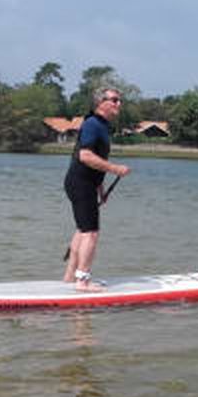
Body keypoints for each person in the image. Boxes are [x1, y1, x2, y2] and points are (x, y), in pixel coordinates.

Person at [63, 87, 130, 291]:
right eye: (115, 100)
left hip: (83, 182)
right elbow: (86, 156)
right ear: (101, 103)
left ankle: (70, 278)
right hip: (80, 183)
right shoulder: (93, 124)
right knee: (90, 233)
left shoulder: (102, 125)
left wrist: (100, 188)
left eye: (120, 100)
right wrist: (115, 168)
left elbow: (94, 160)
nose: (119, 103)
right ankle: (82, 281)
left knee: (82, 231)